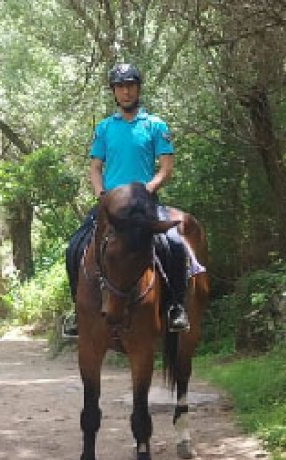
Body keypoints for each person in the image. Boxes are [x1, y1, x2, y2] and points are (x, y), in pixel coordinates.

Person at [63, 62, 190, 336]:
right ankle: (77, 311)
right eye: (120, 87)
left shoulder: (155, 125)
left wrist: (148, 188)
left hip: (144, 204)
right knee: (74, 247)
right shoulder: (104, 128)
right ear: (114, 92)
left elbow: (166, 167)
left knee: (175, 244)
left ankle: (176, 308)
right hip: (110, 206)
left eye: (130, 85)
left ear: (138, 88)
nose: (126, 92)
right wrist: (100, 193)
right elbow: (95, 168)